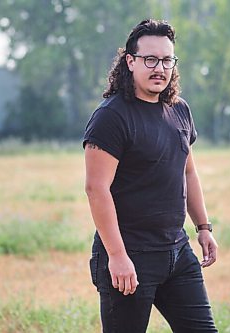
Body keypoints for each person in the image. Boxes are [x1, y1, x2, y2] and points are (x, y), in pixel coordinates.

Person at [83, 19, 218, 333]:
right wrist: (117, 256)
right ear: (130, 62)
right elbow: (96, 188)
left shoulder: (180, 111)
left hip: (177, 253)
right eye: (150, 60)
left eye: (167, 60)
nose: (160, 68)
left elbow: (188, 171)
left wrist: (203, 226)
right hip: (130, 255)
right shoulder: (111, 116)